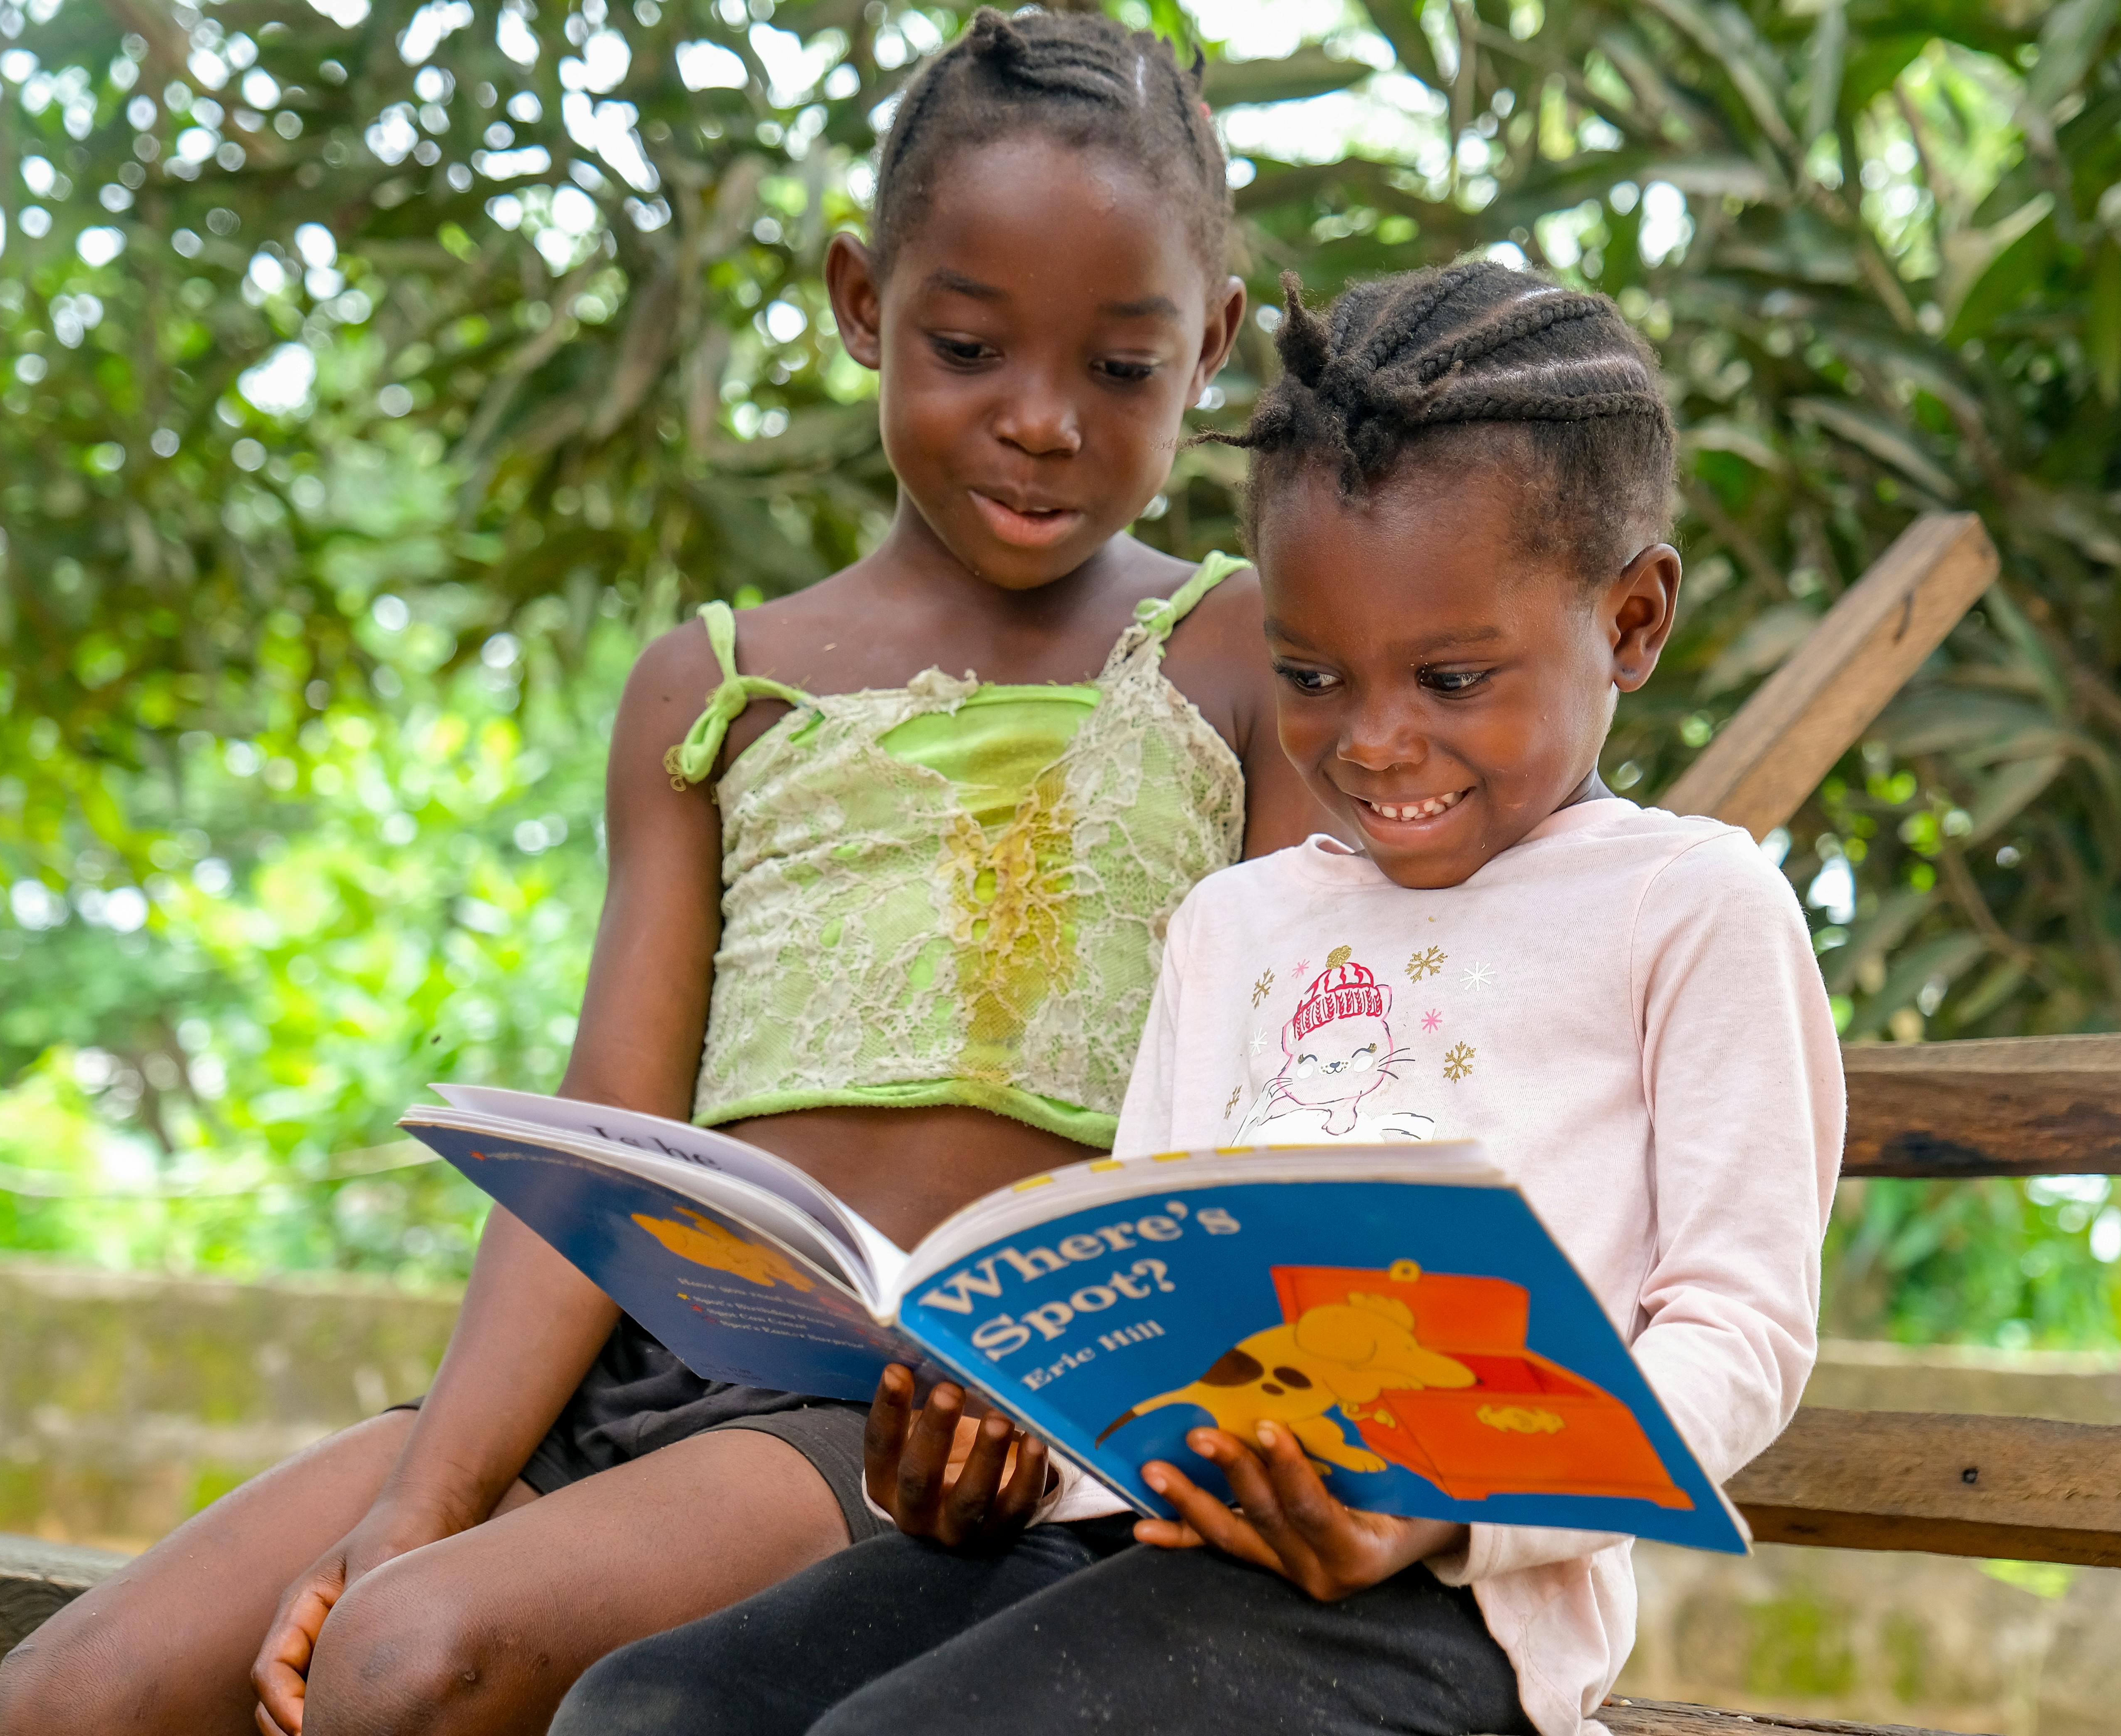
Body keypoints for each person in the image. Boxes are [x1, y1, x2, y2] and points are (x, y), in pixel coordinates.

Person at [0, 14, 1324, 1736]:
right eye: (971, 345)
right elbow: (615, 1123)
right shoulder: (718, 689)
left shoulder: (1240, 661)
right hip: (646, 1370)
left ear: (1211, 342)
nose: (1043, 422)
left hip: (913, 1422)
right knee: (67, 1692)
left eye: (1122, 370)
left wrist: (1086, 1390)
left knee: (410, 1658)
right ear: (862, 303)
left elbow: (1286, 1110)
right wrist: (426, 1491)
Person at [549, 260, 1846, 1736]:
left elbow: (1737, 1338)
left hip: (1431, 1597)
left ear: (1632, 619)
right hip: (1114, 1540)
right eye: (1312, 673)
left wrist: (1437, 1508)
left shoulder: (1688, 907)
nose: (1373, 744)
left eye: (1452, 678)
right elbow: (1150, 1302)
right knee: (649, 1707)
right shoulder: (1239, 922)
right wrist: (997, 1451)